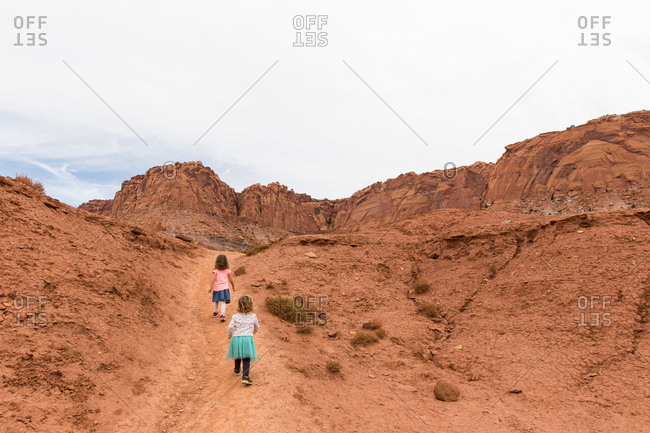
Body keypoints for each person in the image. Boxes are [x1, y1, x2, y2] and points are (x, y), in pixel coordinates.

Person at [227, 295, 259, 385]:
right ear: (251, 305)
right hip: (247, 338)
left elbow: (230, 327)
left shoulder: (235, 316)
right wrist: (253, 331)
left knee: (237, 353)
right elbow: (257, 326)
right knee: (246, 357)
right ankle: (245, 376)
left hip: (236, 338)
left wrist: (229, 336)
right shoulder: (253, 316)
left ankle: (237, 369)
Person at [209, 254, 235, 322]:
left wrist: (210, 287)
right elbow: (231, 279)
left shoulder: (216, 271)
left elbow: (213, 279)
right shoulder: (227, 270)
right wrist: (233, 286)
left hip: (217, 288)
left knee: (216, 300)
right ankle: (222, 315)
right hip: (224, 288)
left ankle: (215, 312)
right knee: (223, 301)